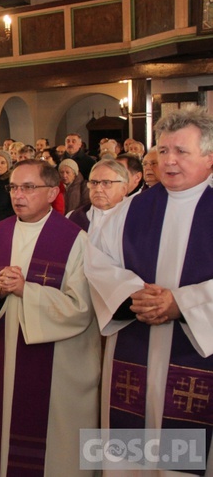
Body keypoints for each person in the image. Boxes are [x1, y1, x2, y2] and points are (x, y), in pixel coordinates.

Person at [85, 107, 213, 473]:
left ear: (210, 157)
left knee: (183, 459)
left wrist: (181, 304)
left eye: (181, 151)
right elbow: (97, 260)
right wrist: (131, 296)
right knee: (127, 457)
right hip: (134, 346)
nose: (168, 161)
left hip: (196, 352)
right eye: (162, 151)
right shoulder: (129, 209)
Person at [0, 159, 101, 476]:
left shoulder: (74, 239)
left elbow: (82, 306)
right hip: (3, 352)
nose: (18, 195)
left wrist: (27, 291)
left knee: (52, 447)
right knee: (4, 432)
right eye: (13, 187)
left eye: (28, 187)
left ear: (52, 192)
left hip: (56, 364)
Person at [67, 159, 129, 236]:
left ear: (123, 189)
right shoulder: (73, 218)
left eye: (106, 183)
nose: (98, 189)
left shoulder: (135, 218)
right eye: (94, 183)